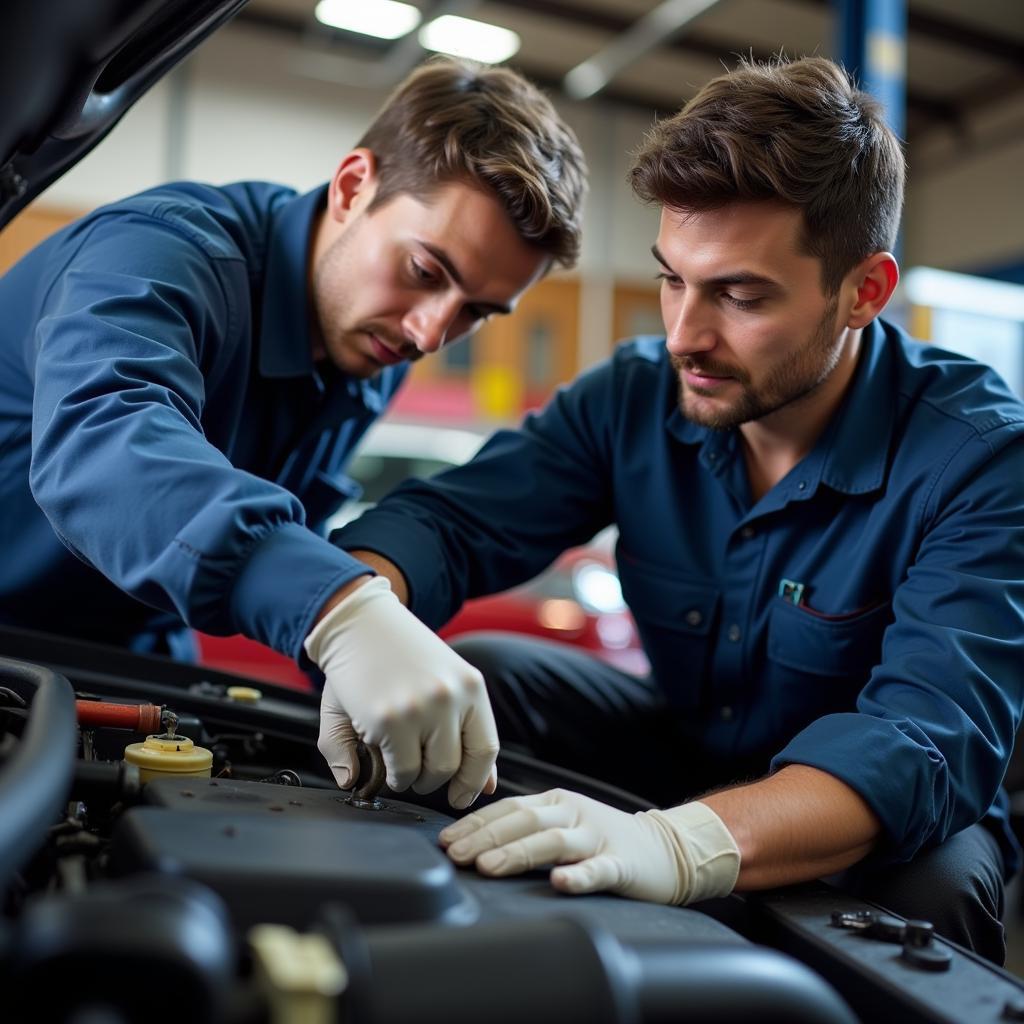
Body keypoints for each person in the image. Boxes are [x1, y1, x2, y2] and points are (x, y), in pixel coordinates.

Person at [332, 56, 1024, 963]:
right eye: (672, 279)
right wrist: (354, 617)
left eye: (739, 295)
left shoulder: (982, 460)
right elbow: (448, 522)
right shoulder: (633, 395)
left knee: (935, 893)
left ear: (864, 291)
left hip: (877, 810)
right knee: (482, 676)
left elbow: (919, 742)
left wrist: (675, 842)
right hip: (683, 746)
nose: (686, 335)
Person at [0, 57, 588, 811]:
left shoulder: (373, 352)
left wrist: (368, 682)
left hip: (117, 657)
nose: (430, 331)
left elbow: (289, 520)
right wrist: (340, 611)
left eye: (476, 312)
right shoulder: (157, 252)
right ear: (352, 187)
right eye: (424, 269)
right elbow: (106, 443)